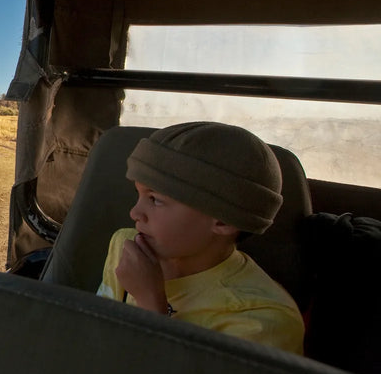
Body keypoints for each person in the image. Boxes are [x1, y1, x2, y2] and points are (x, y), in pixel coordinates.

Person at [97, 121, 305, 354]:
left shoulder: (262, 320)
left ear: (223, 221)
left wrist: (150, 304)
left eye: (155, 199)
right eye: (139, 194)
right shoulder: (125, 247)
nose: (134, 213)